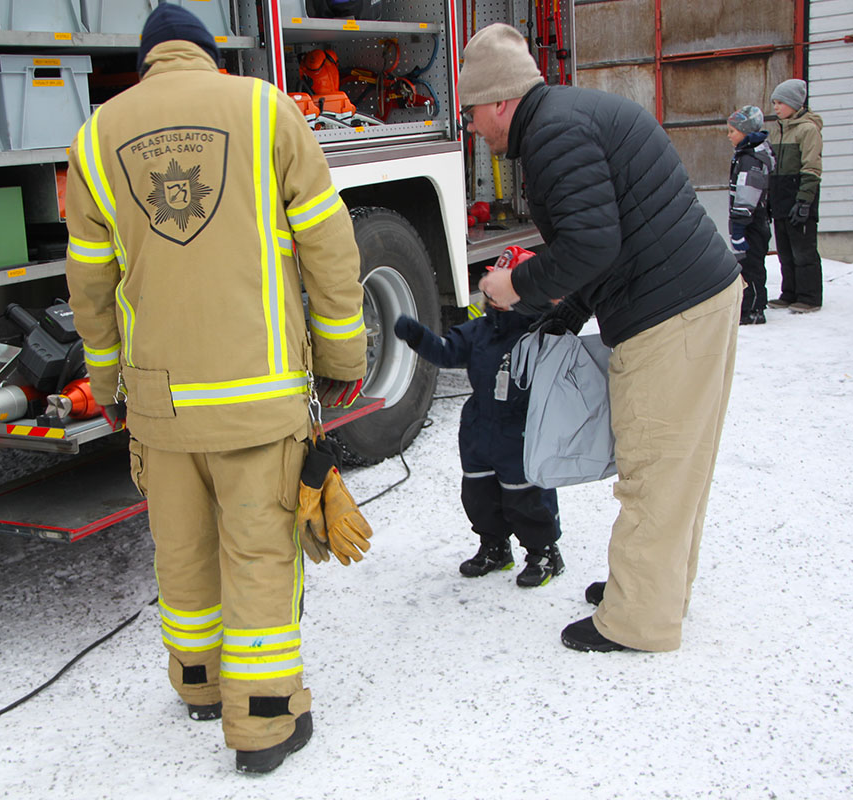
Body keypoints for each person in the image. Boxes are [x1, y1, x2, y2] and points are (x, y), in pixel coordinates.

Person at [63, 4, 367, 774]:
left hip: (161, 405)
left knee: (185, 550)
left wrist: (108, 384)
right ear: (207, 55)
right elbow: (327, 243)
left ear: (147, 63)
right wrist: (340, 351)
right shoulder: (266, 110)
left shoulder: (98, 136)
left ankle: (198, 685)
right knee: (261, 553)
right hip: (257, 397)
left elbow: (91, 283)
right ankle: (265, 723)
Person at [461, 23, 742, 653]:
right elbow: (597, 244)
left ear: (502, 100)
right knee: (677, 469)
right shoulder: (563, 117)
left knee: (655, 468)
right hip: (691, 298)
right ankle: (650, 589)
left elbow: (591, 244)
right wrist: (559, 318)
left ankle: (638, 621)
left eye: (473, 112)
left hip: (672, 314)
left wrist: (517, 289)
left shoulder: (553, 135)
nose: (472, 126)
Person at [392, 247, 565, 589]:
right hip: (478, 427)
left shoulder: (543, 333)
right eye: (491, 286)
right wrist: (417, 335)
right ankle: (494, 545)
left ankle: (543, 551)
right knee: (478, 493)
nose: (492, 294)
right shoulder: (479, 330)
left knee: (526, 494)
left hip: (522, 429)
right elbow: (445, 352)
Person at [767, 78, 824, 313]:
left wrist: (804, 201)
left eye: (780, 103)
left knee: (803, 250)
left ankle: (809, 296)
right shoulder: (779, 130)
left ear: (794, 104)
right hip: (781, 199)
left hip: (799, 197)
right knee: (785, 250)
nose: (776, 107)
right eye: (774, 103)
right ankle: (789, 292)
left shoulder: (807, 130)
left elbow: (812, 167)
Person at [726, 105, 774, 325]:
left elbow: (747, 196)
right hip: (752, 220)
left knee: (751, 265)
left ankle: (754, 309)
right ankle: (748, 304)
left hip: (751, 222)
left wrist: (738, 227)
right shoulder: (747, 154)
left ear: (745, 132)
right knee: (747, 264)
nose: (729, 136)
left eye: (732, 132)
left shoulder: (751, 160)